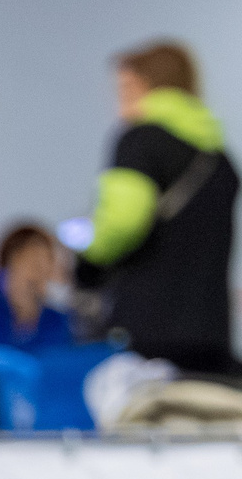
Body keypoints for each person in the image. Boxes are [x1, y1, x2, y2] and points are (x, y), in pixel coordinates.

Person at [75, 40, 237, 376]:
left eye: (125, 87)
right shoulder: (220, 160)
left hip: (148, 331)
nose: (118, 100)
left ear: (146, 85)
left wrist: (88, 257)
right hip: (211, 333)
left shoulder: (140, 141)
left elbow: (122, 222)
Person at [0, 221, 78, 352]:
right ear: (10, 262)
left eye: (46, 264)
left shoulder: (59, 323)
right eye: (34, 263)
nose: (41, 274)